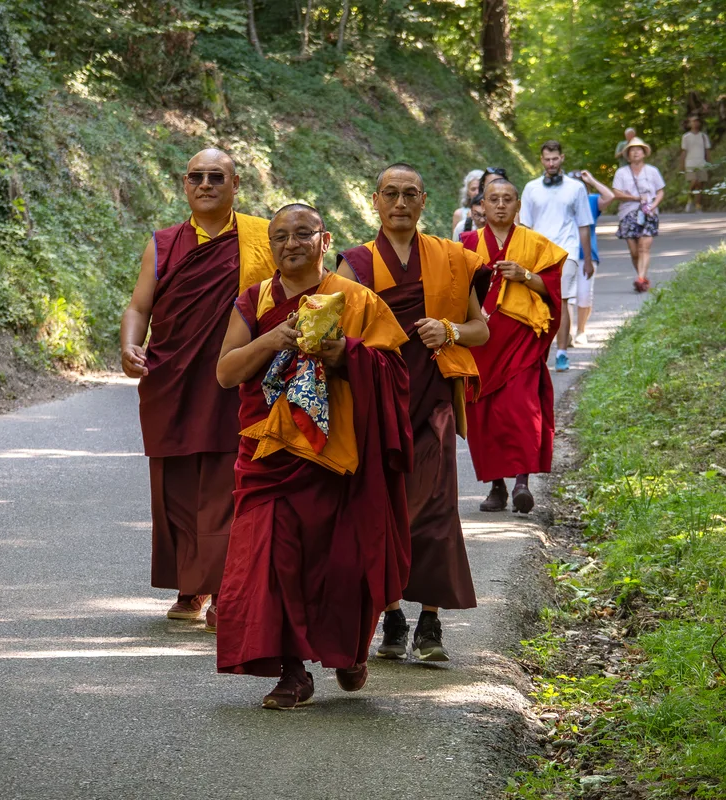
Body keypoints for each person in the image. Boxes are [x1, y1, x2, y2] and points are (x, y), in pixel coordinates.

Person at [214, 203, 412, 710]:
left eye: (303, 234)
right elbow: (227, 372)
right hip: (269, 451)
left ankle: (347, 650)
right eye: (280, 236)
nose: (291, 244)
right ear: (271, 246)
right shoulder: (255, 301)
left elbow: (394, 374)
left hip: (334, 454)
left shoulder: (355, 299)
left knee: (339, 561)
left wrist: (346, 353)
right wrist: (273, 338)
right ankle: (292, 672)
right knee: (272, 559)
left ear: (325, 242)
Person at [336, 163, 490, 663]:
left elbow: (479, 329)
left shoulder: (453, 258)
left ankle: (431, 621)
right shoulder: (353, 265)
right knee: (381, 511)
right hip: (375, 406)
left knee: (437, 510)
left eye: (409, 195)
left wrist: (448, 330)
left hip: (434, 402)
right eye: (390, 194)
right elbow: (332, 337)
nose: (400, 203)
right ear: (374, 201)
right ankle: (392, 616)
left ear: (424, 201)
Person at [120, 148, 276, 633]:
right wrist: (130, 345)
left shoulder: (262, 239)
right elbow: (138, 307)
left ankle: (227, 588)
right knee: (178, 486)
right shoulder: (163, 243)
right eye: (196, 177)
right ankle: (191, 585)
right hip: (172, 379)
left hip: (237, 376)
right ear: (183, 185)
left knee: (229, 482)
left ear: (235, 184)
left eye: (216, 176)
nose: (205, 184)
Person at [460, 179, 566, 514]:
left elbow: (552, 290)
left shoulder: (535, 244)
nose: (501, 205)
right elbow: (453, 291)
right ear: (483, 206)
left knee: (522, 410)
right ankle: (496, 487)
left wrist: (525, 275)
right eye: (494, 199)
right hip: (482, 343)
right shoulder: (466, 244)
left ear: (518, 205)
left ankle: (522, 482)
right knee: (486, 415)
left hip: (521, 341)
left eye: (508, 199)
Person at [519, 140, 593, 374]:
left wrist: (587, 259)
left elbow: (583, 224)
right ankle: (540, 353)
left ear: (562, 158)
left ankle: (561, 353)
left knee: (560, 301)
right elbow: (525, 226)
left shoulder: (576, 188)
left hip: (566, 252)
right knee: (540, 302)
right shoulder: (531, 188)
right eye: (547, 159)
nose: (551, 163)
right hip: (538, 254)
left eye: (555, 158)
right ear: (541, 161)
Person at [611, 137, 665, 293]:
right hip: (628, 213)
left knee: (644, 248)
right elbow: (616, 193)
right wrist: (634, 198)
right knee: (634, 252)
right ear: (627, 155)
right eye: (632, 150)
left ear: (644, 153)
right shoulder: (621, 173)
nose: (635, 153)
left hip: (648, 212)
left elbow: (660, 191)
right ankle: (642, 276)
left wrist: (654, 205)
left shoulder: (652, 171)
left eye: (638, 149)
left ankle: (641, 279)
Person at [573, 170, 611, 346]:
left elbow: (610, 196)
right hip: (564, 253)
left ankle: (581, 330)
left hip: (588, 255)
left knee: (584, 295)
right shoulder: (561, 202)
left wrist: (592, 179)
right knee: (566, 297)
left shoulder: (592, 201)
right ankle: (565, 333)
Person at [680, 116, 711, 212]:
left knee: (700, 185)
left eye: (697, 121)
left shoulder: (703, 136)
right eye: (693, 122)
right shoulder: (686, 137)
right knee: (694, 181)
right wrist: (682, 164)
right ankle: (690, 200)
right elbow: (684, 151)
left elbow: (707, 151)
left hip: (701, 163)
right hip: (690, 163)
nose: (695, 124)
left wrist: (710, 163)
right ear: (689, 124)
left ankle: (698, 205)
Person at [451, 169, 485, 240]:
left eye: (480, 188)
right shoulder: (459, 214)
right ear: (467, 192)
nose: (477, 192)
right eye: (473, 189)